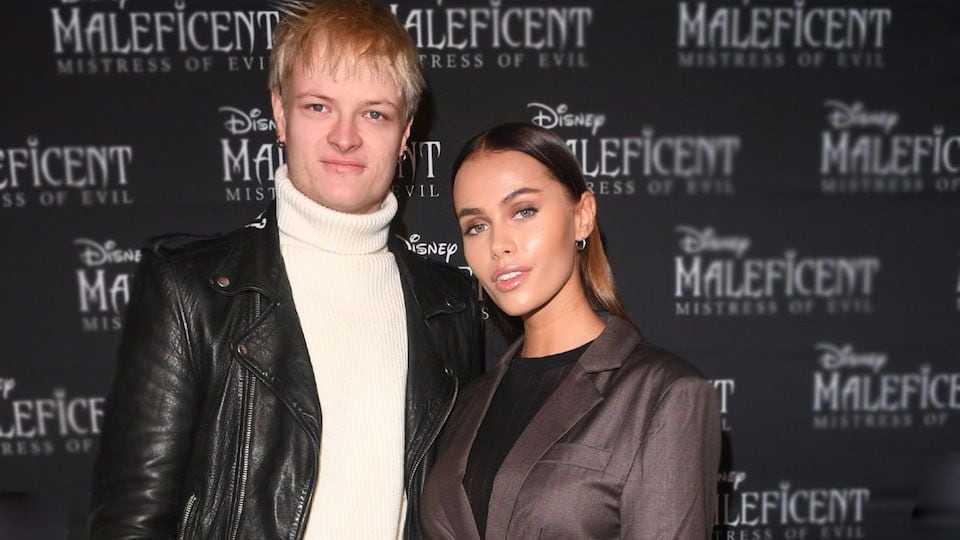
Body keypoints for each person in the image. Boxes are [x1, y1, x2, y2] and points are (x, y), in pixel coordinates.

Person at [88, 1, 482, 538]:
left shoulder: (451, 305)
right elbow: (131, 522)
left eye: (374, 113)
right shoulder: (192, 292)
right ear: (279, 113)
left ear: (406, 132)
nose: (345, 137)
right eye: (319, 106)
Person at [420, 123, 721, 539]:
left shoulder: (665, 394)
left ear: (581, 217)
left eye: (523, 211)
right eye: (476, 226)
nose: (498, 245)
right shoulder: (466, 402)